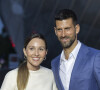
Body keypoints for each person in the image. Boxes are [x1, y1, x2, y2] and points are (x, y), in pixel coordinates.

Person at [51, 9, 100, 90]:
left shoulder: (95, 57)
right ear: (55, 31)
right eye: (59, 29)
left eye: (67, 29)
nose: (63, 34)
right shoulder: (55, 63)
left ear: (77, 29)